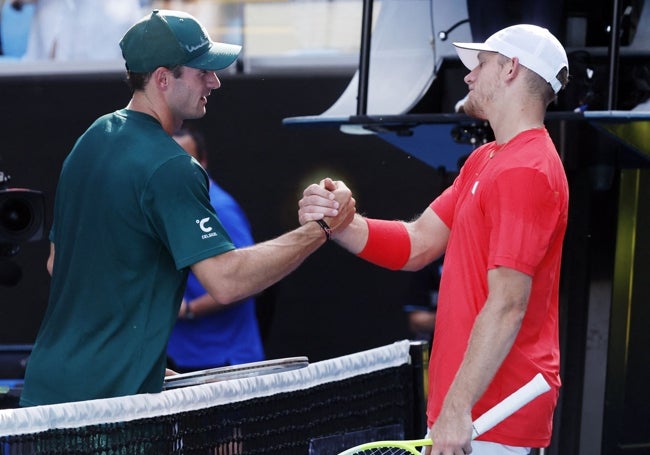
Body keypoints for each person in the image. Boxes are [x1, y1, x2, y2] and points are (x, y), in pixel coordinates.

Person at [19, 9, 354, 407]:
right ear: (163, 78)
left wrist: (131, 358)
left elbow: (58, 264)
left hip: (46, 396)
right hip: (110, 410)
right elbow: (227, 282)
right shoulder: (172, 166)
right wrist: (320, 230)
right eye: (201, 71)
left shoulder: (90, 140)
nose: (214, 81)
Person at [299, 24, 569, 454]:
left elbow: (508, 304)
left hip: (491, 419)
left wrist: (458, 409)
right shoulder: (488, 158)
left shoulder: (527, 170)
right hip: (466, 416)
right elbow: (416, 243)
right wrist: (341, 222)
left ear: (511, 69)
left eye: (480, 64)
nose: (468, 76)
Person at [166, 125, 265, 372]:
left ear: (203, 162)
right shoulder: (167, 205)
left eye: (185, 160)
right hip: (182, 358)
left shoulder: (221, 209)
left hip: (226, 362)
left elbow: (249, 278)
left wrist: (188, 310)